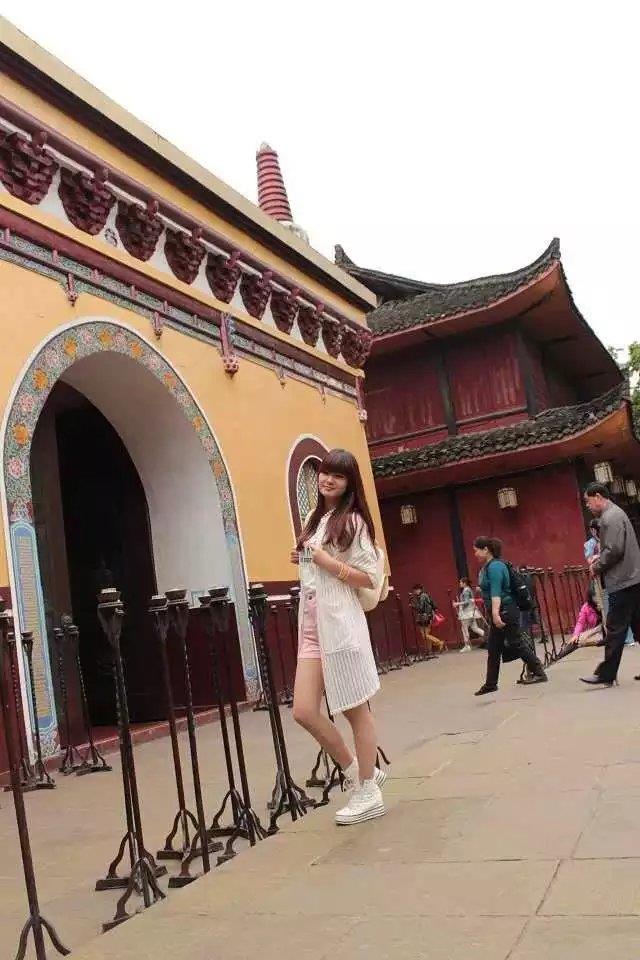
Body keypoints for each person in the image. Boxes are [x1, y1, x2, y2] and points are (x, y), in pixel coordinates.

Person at [290, 448, 386, 825]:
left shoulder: (354, 521)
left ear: (350, 484)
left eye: (338, 475)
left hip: (340, 623)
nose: (328, 480)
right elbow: (313, 564)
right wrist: (303, 558)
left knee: (355, 709)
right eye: (325, 472)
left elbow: (370, 578)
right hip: (312, 625)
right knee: (304, 710)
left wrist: (326, 562)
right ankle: (356, 772)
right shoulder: (317, 518)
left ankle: (369, 790)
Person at [580, 482, 640, 686]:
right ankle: (607, 673)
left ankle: (606, 673)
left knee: (614, 628)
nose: (587, 505)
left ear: (598, 497)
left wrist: (597, 566)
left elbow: (614, 550)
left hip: (623, 580)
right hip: (633, 578)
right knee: (637, 625)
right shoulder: (616, 514)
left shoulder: (609, 517)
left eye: (588, 501)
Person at [473, 536, 548, 695]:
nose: (475, 554)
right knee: (494, 648)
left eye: (476, 550)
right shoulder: (492, 566)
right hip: (503, 610)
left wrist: (495, 614)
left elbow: (496, 591)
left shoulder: (495, 567)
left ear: (486, 550)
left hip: (504, 610)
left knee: (516, 643)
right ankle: (491, 683)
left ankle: (539, 671)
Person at [411, 584, 444, 656]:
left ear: (419, 589)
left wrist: (413, 606)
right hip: (428, 617)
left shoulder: (422, 596)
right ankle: (429, 650)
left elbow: (421, 608)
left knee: (425, 635)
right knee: (426, 635)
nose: (415, 592)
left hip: (424, 618)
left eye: (415, 590)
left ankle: (439, 642)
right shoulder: (426, 595)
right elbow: (433, 605)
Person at [456, 577, 485, 650]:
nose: (460, 583)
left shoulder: (466, 591)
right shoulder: (468, 590)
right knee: (475, 628)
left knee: (464, 628)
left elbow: (467, 602)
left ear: (464, 583)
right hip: (471, 611)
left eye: (461, 582)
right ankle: (488, 637)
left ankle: (467, 645)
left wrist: (457, 604)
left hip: (467, 613)